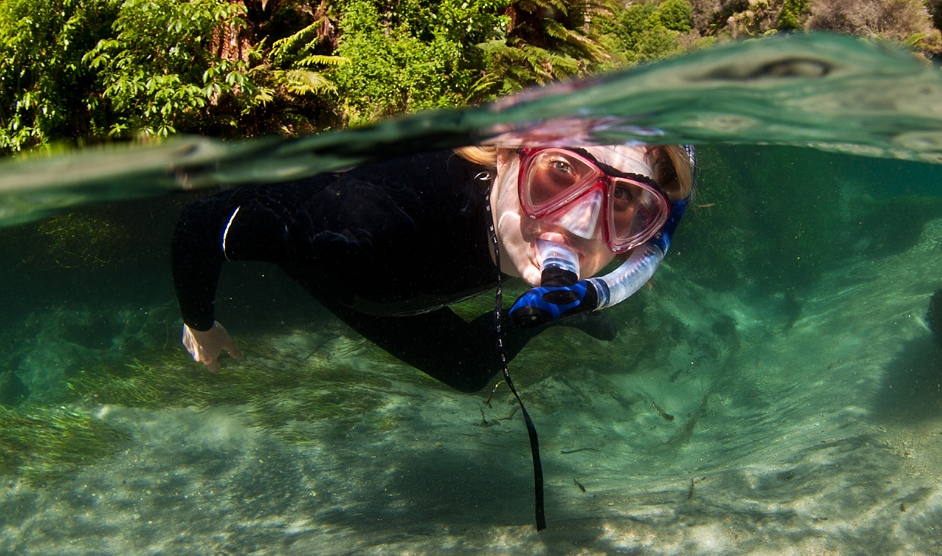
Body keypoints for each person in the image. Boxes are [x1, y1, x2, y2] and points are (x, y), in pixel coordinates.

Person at [173, 144, 696, 393]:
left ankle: (556, 310)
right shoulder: (356, 231)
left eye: (626, 200)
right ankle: (561, 311)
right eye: (560, 172)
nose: (581, 224)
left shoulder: (535, 226)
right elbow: (204, 218)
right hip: (367, 283)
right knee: (468, 369)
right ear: (507, 156)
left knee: (472, 370)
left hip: (400, 284)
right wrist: (200, 322)